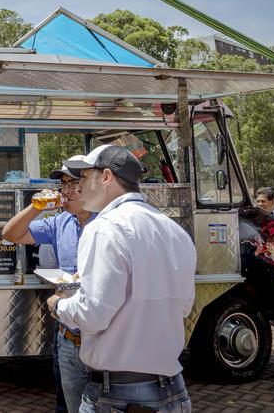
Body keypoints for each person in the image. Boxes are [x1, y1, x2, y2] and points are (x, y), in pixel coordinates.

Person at [46, 145, 196, 412]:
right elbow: (184, 307)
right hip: (172, 390)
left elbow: (93, 314)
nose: (78, 187)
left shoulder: (105, 227)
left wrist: (59, 305)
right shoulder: (174, 231)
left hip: (117, 394)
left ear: (106, 177)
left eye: (83, 177)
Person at [3, 157, 95, 413]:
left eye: (73, 182)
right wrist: (36, 207)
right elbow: (10, 234)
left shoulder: (109, 222)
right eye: (62, 183)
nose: (65, 190)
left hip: (102, 333)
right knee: (66, 405)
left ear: (92, 184)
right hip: (67, 333)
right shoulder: (59, 222)